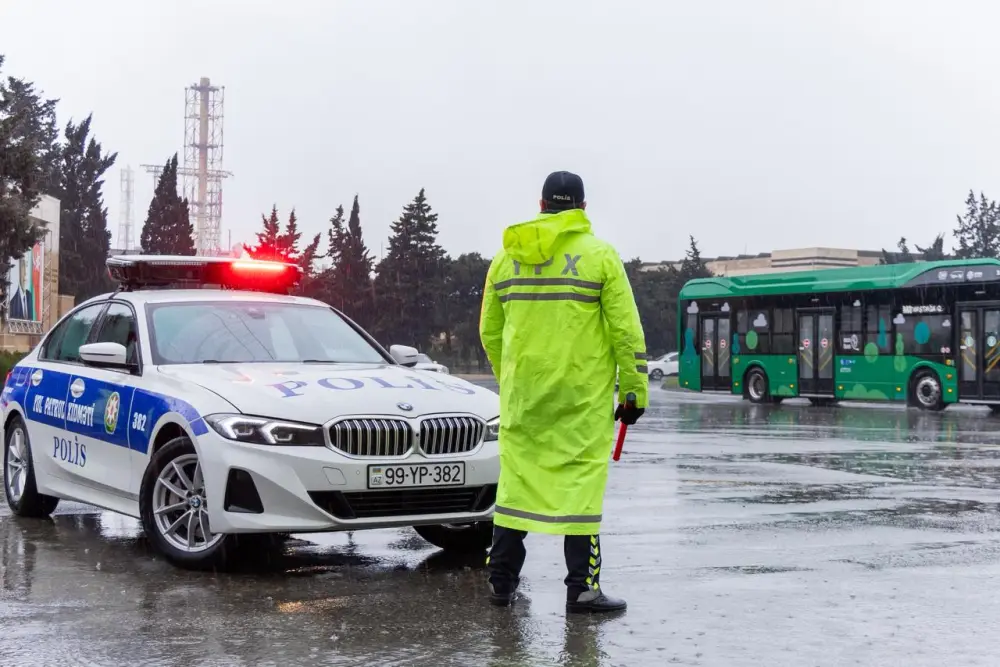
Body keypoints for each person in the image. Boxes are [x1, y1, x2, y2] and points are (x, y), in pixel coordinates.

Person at [479, 170, 648, 613]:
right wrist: (633, 393)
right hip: (581, 401)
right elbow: (626, 333)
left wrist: (512, 380)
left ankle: (500, 584)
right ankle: (582, 589)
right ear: (582, 208)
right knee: (581, 489)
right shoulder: (600, 257)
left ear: (540, 205)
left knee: (514, 491)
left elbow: (489, 331)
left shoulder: (505, 259)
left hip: (525, 400)